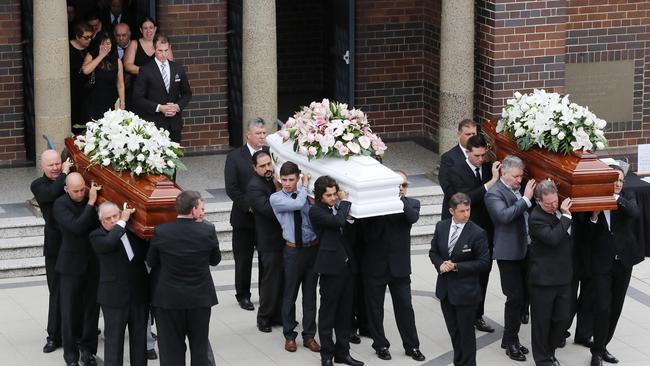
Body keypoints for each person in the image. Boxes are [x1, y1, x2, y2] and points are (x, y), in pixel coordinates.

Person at [147, 190, 221, 366]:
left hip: (169, 300)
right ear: (193, 210)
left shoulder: (161, 231)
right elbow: (215, 260)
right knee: (199, 347)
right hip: (200, 299)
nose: (203, 212)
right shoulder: (207, 230)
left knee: (171, 349)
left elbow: (152, 261)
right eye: (201, 208)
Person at [360, 171, 425, 361]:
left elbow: (411, 218)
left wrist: (399, 200)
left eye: (404, 185)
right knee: (375, 308)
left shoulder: (412, 203)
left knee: (405, 307)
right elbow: (368, 235)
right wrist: (384, 204)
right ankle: (380, 344)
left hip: (400, 268)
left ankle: (412, 346)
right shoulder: (374, 207)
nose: (401, 189)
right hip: (375, 266)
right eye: (397, 185)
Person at [442, 134, 500, 333]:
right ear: (467, 152)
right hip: (466, 231)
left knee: (484, 273)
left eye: (483, 155)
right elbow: (466, 199)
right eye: (477, 155)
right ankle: (462, 312)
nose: (481, 159)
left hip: (485, 230)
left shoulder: (487, 166)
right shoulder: (456, 170)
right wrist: (492, 181)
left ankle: (478, 315)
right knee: (465, 273)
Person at [588, 166, 642, 366]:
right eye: (614, 180)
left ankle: (602, 346)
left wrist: (615, 197)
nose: (618, 184)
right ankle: (597, 352)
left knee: (616, 307)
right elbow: (587, 233)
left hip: (624, 261)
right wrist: (594, 217)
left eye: (620, 180)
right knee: (603, 307)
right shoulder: (595, 197)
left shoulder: (628, 196)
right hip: (602, 262)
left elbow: (634, 213)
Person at [485, 155, 536, 362]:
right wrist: (525, 199)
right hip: (508, 253)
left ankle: (509, 338)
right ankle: (511, 342)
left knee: (523, 297)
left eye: (521, 176)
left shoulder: (520, 189)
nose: (519, 180)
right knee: (514, 298)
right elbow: (504, 216)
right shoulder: (494, 194)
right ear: (504, 173)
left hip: (526, 249)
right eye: (515, 176)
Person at [429, 192, 490, 366]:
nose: (466, 214)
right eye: (462, 211)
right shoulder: (441, 227)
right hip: (446, 291)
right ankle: (459, 362)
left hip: (466, 293)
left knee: (466, 335)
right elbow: (433, 252)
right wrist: (440, 264)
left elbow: (484, 262)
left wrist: (457, 267)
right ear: (451, 211)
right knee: (454, 332)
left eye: (468, 210)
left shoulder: (477, 233)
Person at [310, 176, 364, 366]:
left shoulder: (338, 208)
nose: (333, 198)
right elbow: (337, 223)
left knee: (345, 313)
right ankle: (327, 355)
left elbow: (346, 227)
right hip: (330, 269)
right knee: (327, 314)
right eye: (329, 195)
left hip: (347, 267)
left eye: (335, 194)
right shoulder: (316, 211)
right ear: (320, 196)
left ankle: (343, 353)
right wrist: (345, 201)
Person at [269, 161, 321, 353]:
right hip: (292, 251)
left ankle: (309, 336)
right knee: (290, 294)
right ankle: (289, 336)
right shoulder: (276, 198)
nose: (287, 184)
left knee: (310, 295)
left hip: (312, 249)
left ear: (297, 178)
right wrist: (305, 187)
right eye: (284, 180)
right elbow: (297, 204)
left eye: (291, 180)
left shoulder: (306, 196)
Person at [90, 201, 149, 366]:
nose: (113, 220)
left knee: (139, 340)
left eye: (115, 216)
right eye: (107, 218)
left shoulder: (133, 231)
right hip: (114, 298)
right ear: (101, 221)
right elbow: (109, 243)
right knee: (114, 341)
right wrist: (122, 221)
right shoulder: (97, 236)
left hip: (138, 294)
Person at [54, 173, 101, 366]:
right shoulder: (60, 205)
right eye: (76, 191)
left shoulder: (90, 197)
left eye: (83, 189)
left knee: (91, 310)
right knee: (70, 312)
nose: (81, 193)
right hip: (71, 266)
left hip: (92, 263)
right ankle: (71, 355)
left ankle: (88, 350)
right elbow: (76, 227)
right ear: (66, 189)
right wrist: (90, 204)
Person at [224, 117, 269, 311]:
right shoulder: (235, 157)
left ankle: (266, 294)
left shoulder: (269, 154)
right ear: (248, 135)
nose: (262, 137)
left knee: (266, 258)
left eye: (264, 133)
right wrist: (249, 206)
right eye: (258, 133)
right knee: (243, 260)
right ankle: (243, 295)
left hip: (266, 218)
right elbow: (232, 188)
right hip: (244, 218)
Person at [528, 180, 574, 366]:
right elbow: (553, 238)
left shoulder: (558, 208)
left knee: (562, 319)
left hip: (563, 277)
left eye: (555, 201)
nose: (554, 205)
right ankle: (543, 360)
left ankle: (550, 351)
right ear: (539, 201)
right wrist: (566, 217)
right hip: (543, 280)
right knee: (541, 323)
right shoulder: (536, 218)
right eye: (549, 203)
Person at [30, 150, 72, 353]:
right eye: (51, 165)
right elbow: (50, 194)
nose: (56, 168)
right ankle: (54, 336)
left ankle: (77, 332)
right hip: (55, 247)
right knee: (56, 291)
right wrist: (64, 175)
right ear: (43, 167)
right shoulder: (38, 185)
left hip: (75, 245)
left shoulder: (70, 180)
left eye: (58, 164)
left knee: (77, 291)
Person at [246, 150, 284, 332]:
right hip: (269, 241)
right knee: (270, 281)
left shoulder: (271, 180)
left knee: (282, 280)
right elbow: (270, 210)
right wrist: (279, 189)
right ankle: (264, 318)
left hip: (282, 239)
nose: (267, 168)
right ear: (255, 168)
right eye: (262, 166)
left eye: (269, 164)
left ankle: (278, 315)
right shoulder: (254, 186)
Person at [133, 34, 191, 143]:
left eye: (166, 50)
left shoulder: (178, 68)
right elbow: (137, 98)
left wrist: (177, 106)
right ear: (154, 49)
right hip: (154, 124)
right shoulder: (145, 70)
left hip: (174, 124)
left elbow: (187, 93)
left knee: (175, 156)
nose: (164, 54)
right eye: (160, 51)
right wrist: (159, 107)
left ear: (170, 48)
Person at [123, 17, 173, 112]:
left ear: (155, 29)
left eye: (151, 27)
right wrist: (147, 73)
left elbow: (170, 65)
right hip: (139, 87)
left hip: (158, 88)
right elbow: (128, 65)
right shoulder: (134, 43)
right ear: (141, 30)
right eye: (145, 28)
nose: (148, 30)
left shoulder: (162, 44)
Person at [438, 118, 477, 220]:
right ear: (459, 134)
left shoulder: (482, 156)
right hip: (456, 211)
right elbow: (446, 186)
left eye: (474, 134)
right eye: (468, 134)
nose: (472, 137)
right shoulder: (449, 157)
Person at [82, 31, 125, 119]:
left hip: (110, 101)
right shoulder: (91, 56)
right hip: (93, 101)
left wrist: (122, 101)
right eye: (102, 44)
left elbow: (120, 84)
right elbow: (85, 70)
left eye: (108, 44)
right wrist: (101, 56)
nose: (105, 46)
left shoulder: (117, 61)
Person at [69, 21, 93, 133]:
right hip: (73, 90)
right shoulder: (68, 49)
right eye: (86, 37)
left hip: (88, 91)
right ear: (77, 37)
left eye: (90, 37)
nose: (89, 40)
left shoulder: (90, 48)